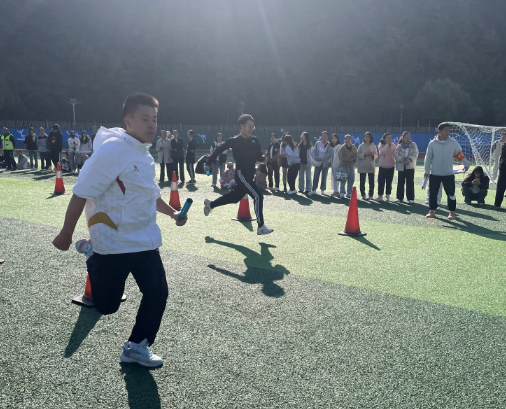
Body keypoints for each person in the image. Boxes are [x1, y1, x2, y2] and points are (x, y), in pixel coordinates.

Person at [52, 93, 187, 367]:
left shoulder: (144, 155)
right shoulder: (112, 151)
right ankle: (91, 254)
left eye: (154, 119)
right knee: (107, 306)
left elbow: (151, 194)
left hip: (145, 240)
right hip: (112, 243)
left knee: (158, 292)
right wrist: (66, 233)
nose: (152, 125)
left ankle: (136, 346)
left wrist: (172, 213)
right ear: (128, 121)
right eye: (145, 119)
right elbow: (81, 193)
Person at [203, 114, 273, 235]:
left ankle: (211, 204)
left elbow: (258, 157)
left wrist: (265, 158)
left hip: (250, 175)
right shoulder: (234, 141)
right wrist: (208, 163)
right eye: (249, 126)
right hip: (241, 174)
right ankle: (261, 226)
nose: (251, 129)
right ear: (242, 126)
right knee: (258, 195)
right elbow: (218, 150)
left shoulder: (255, 140)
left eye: (253, 126)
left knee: (235, 198)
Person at [424, 122, 470, 220]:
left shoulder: (453, 143)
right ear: (439, 131)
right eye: (446, 130)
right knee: (433, 193)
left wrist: (466, 164)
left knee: (451, 193)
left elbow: (459, 154)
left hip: (448, 174)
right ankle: (432, 211)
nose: (448, 132)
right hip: (435, 173)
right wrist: (426, 171)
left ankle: (452, 212)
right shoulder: (432, 144)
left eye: (449, 130)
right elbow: (428, 158)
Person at [394, 131, 419, 203]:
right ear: (403, 138)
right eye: (406, 137)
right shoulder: (399, 146)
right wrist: (402, 160)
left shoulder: (413, 145)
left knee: (410, 182)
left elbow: (415, 153)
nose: (408, 139)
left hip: (410, 166)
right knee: (400, 182)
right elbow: (396, 155)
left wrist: (409, 160)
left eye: (409, 137)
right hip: (401, 166)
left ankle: (410, 198)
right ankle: (399, 198)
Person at [375, 132, 396, 201]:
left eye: (390, 138)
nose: (389, 139)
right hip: (382, 167)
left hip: (390, 167)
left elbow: (395, 155)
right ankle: (380, 196)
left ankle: (387, 196)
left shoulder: (393, 145)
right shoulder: (380, 145)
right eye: (388, 138)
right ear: (384, 139)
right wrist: (387, 145)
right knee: (381, 182)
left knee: (389, 182)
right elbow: (382, 153)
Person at [357, 132, 377, 200]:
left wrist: (372, 155)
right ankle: (363, 194)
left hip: (371, 166)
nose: (367, 138)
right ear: (364, 138)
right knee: (362, 181)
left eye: (368, 137)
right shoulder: (361, 146)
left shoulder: (373, 146)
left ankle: (370, 195)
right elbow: (358, 156)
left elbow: (376, 155)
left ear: (370, 138)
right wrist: (364, 154)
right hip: (363, 166)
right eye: (366, 137)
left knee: (371, 182)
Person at [310, 131, 332, 195]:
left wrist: (322, 159)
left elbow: (329, 154)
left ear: (327, 137)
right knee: (316, 176)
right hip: (317, 163)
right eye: (323, 135)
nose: (324, 137)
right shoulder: (317, 144)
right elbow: (313, 152)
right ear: (321, 136)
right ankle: (314, 189)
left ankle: (322, 190)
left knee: (324, 176)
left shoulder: (329, 144)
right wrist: (316, 158)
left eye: (325, 136)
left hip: (325, 163)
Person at [494, 141, 506, 208]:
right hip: (504, 168)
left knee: (500, 187)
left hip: (503, 167)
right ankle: (497, 204)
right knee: (501, 187)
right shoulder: (504, 146)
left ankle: (497, 204)